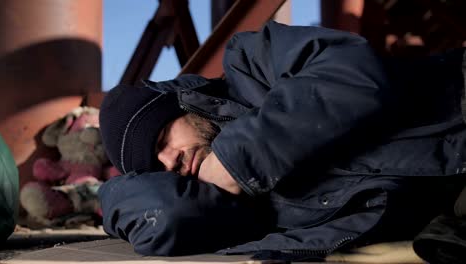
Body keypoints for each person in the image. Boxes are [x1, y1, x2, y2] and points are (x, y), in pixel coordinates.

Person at [98, 21, 466, 261]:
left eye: (163, 138)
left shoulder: (252, 62)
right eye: (155, 169)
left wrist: (238, 162)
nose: (169, 161)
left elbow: (351, 72)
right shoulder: (233, 211)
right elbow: (162, 217)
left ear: (182, 106)